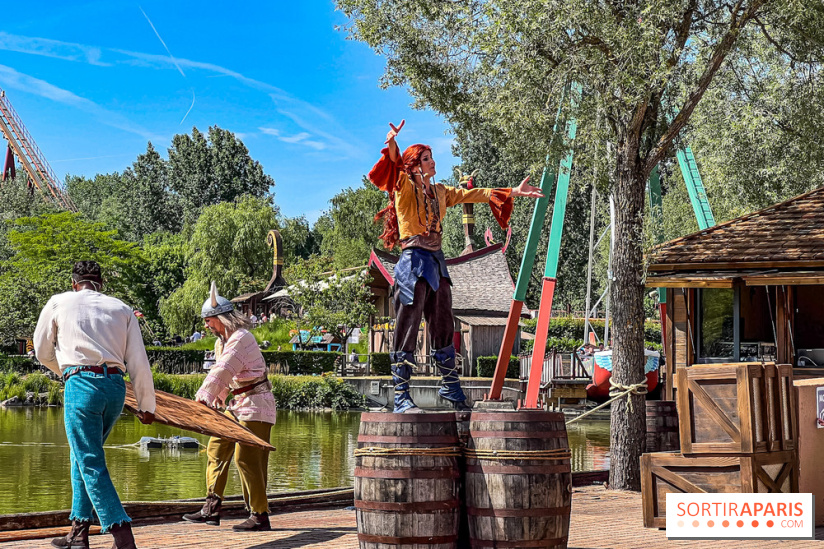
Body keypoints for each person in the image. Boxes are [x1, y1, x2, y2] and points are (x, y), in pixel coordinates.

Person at [369, 119, 544, 413]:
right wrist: (392, 144)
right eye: (427, 158)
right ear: (415, 166)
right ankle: (401, 396)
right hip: (412, 262)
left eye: (432, 157)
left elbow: (473, 194)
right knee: (407, 326)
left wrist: (512, 191)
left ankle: (451, 387)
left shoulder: (440, 192)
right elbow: (395, 165)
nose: (433, 161)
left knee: (443, 323)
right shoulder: (403, 186)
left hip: (436, 262)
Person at [33, 261, 156, 549]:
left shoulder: (59, 302)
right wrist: (147, 404)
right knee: (82, 455)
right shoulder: (122, 308)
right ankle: (78, 532)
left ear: (74, 282)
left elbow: (41, 350)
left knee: (89, 460)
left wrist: (65, 369)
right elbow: (138, 361)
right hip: (114, 388)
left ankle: (123, 536)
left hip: (82, 385)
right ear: (101, 284)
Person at [183, 283, 277, 531]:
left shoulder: (241, 338)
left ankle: (259, 514)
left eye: (209, 320)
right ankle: (211, 509)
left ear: (222, 318)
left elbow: (223, 370)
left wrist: (204, 396)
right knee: (216, 448)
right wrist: (214, 401)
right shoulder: (222, 342)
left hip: (256, 405)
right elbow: (226, 378)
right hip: (236, 405)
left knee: (246, 458)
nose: (206, 325)